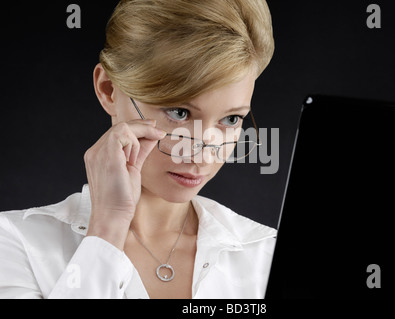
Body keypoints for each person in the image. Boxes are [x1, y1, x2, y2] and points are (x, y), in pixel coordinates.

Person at [0, 0, 276, 299]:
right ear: (108, 90)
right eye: (179, 112)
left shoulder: (265, 255)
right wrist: (106, 229)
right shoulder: (16, 244)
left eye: (230, 119)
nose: (203, 152)